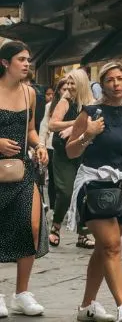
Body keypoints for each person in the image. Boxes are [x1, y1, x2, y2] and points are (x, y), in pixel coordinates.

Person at [65, 62, 122, 322]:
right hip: (95, 184)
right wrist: (88, 134)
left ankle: (87, 307)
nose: (116, 84)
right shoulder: (91, 112)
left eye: (120, 78)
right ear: (102, 84)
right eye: (110, 79)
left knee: (104, 248)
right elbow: (71, 151)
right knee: (112, 246)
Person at [0, 40, 48, 317]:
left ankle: (22, 293)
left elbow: (30, 130)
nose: (27, 63)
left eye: (28, 59)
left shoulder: (30, 93)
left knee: (30, 226)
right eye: (21, 59)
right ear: (5, 63)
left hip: (21, 170)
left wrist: (39, 145)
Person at [48, 69, 94, 250]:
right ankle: (56, 225)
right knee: (66, 191)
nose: (67, 86)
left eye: (72, 82)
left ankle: (83, 234)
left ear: (81, 83)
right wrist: (76, 123)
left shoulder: (91, 103)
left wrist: (79, 127)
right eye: (66, 82)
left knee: (85, 192)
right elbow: (53, 124)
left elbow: (96, 123)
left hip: (84, 152)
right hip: (63, 154)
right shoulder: (65, 101)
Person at [38, 84, 56, 209]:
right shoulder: (48, 107)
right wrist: (41, 145)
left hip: (69, 146)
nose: (50, 96)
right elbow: (43, 127)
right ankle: (54, 206)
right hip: (50, 146)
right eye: (48, 94)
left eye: (52, 94)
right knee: (53, 179)